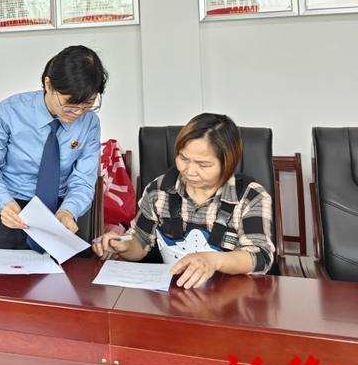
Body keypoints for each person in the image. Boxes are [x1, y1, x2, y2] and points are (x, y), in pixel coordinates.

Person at [92, 113, 276, 289]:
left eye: (203, 164)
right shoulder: (159, 190)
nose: (190, 171)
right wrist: (123, 246)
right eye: (184, 158)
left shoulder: (250, 196)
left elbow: (260, 257)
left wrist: (213, 261)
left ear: (228, 162)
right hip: (171, 293)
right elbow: (140, 242)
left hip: (230, 297)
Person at [0, 45, 107, 250]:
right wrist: (4, 201)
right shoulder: (10, 111)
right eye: (70, 103)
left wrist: (68, 211)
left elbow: (84, 180)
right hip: (7, 206)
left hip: (57, 211)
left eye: (87, 104)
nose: (78, 113)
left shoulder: (90, 123)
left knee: (64, 271)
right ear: (48, 84)